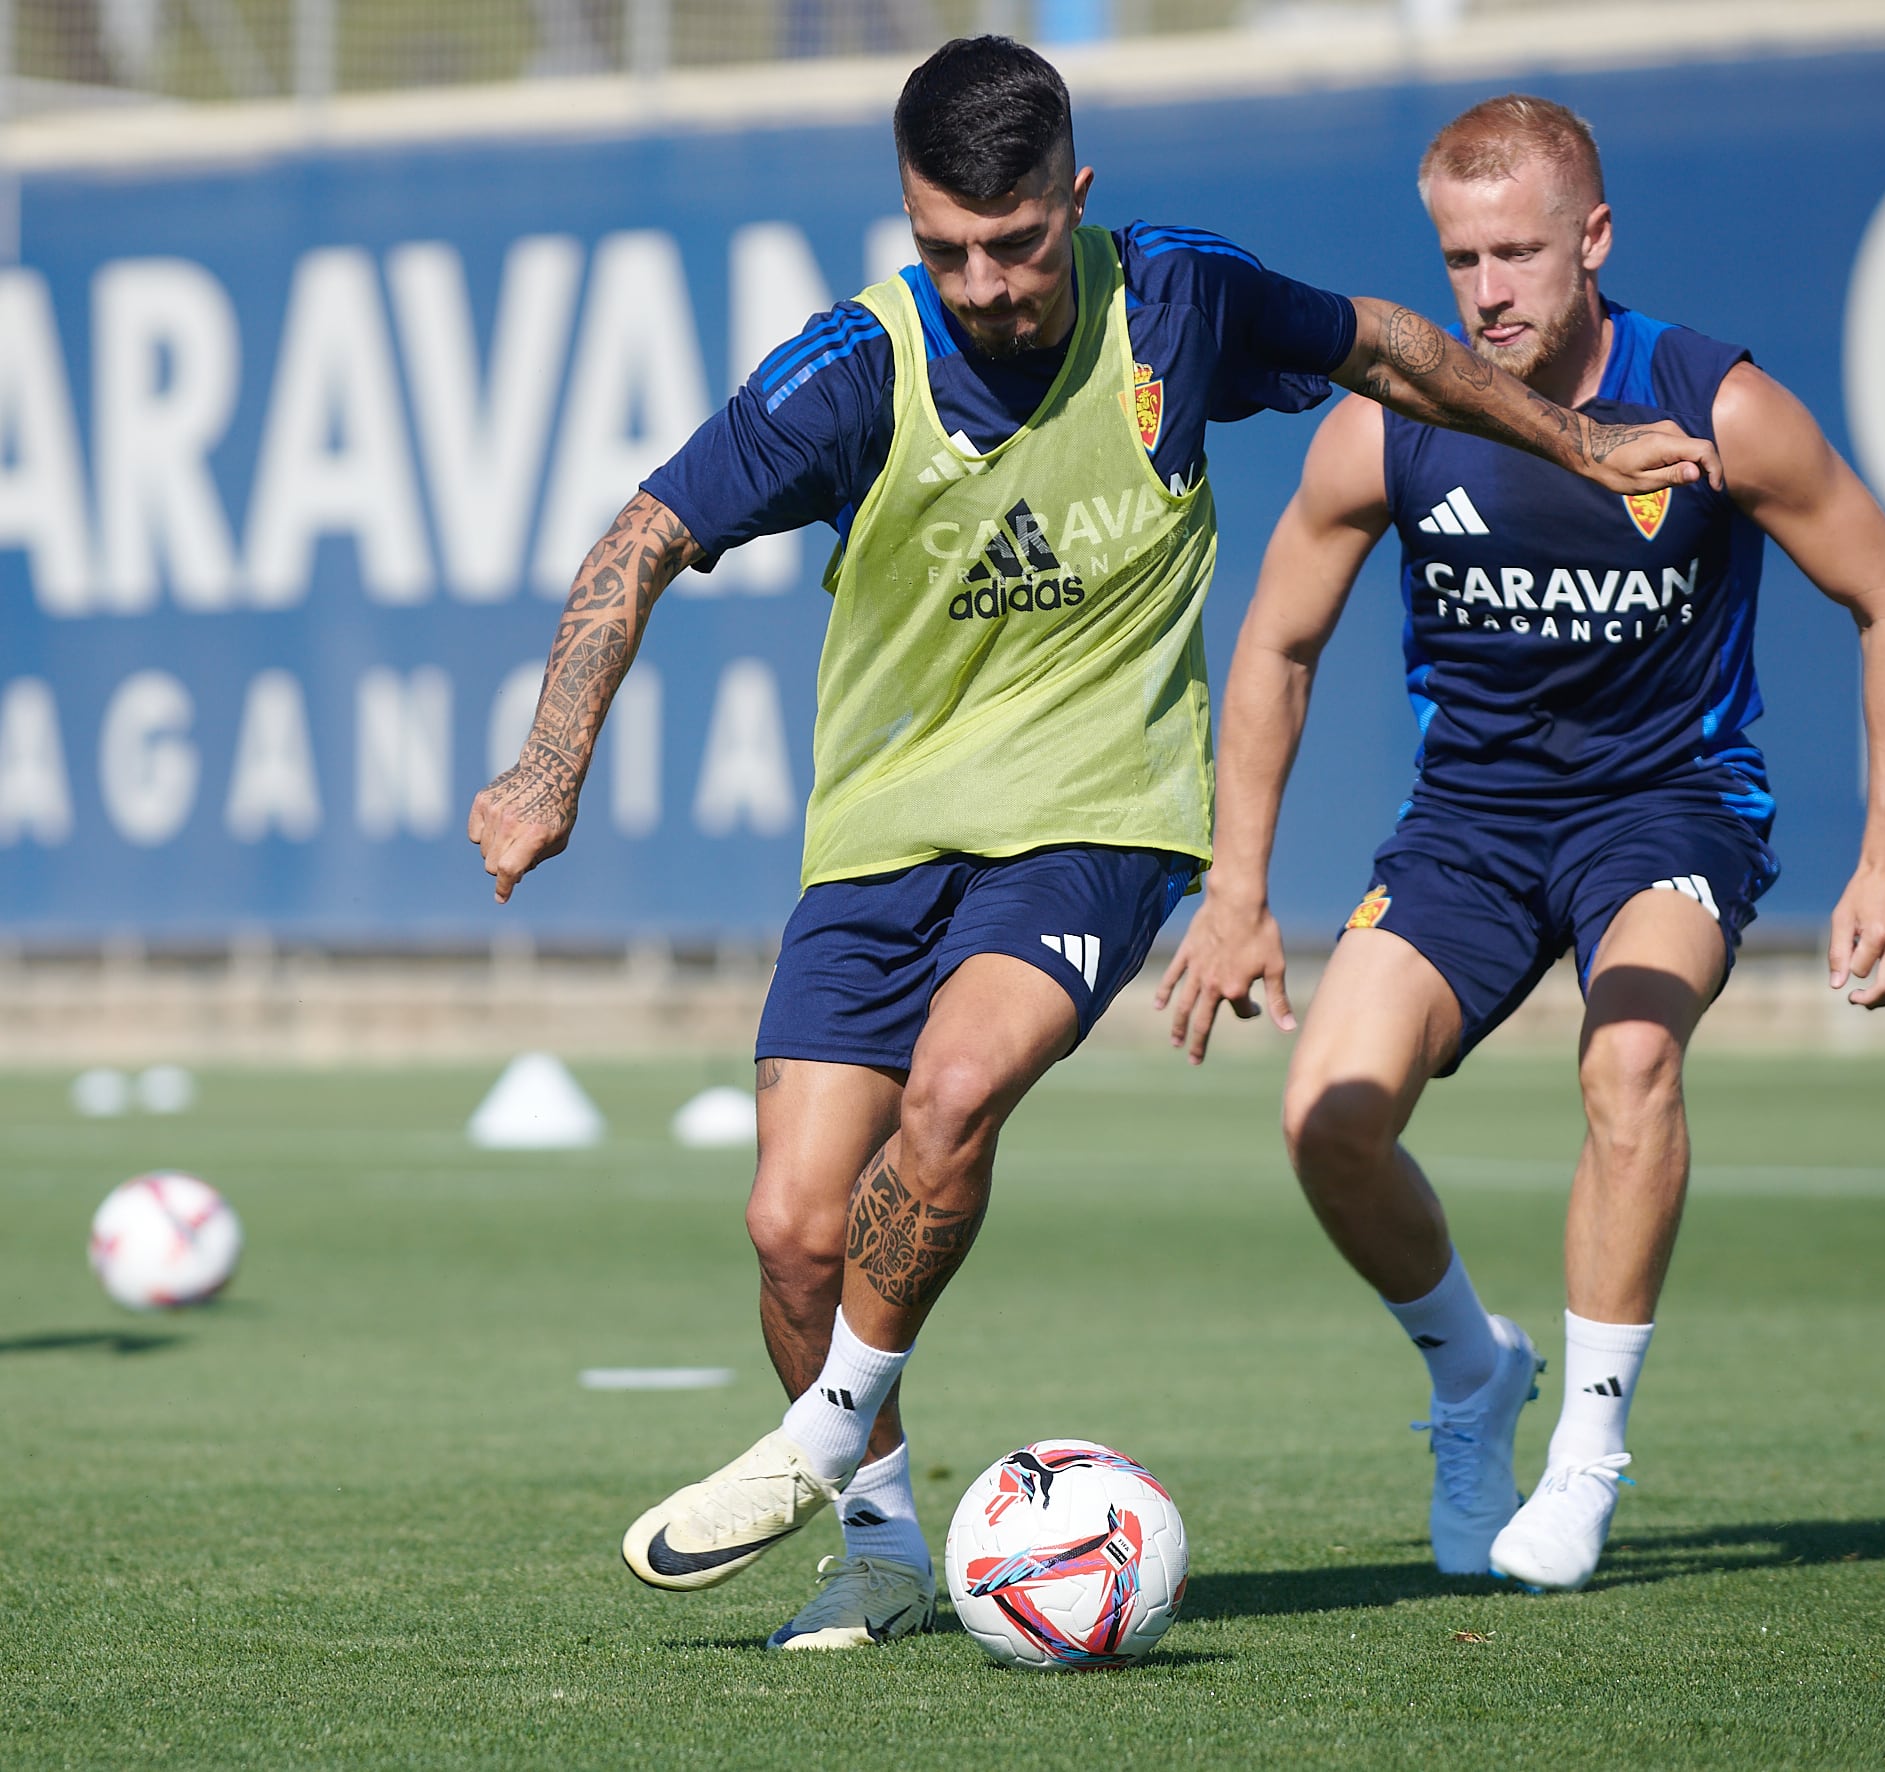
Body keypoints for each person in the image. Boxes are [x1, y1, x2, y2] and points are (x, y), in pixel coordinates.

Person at [467, 45, 1720, 1649]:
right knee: (793, 1229)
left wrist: (1585, 442)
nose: (983, 284)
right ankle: (878, 1546)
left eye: (1015, 244)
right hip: (879, 836)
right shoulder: (854, 370)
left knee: (960, 1085)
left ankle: (819, 1433)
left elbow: (1391, 350)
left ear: (1076, 197)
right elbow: (643, 537)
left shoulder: (1179, 302)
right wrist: (547, 764)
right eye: (945, 251)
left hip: (1098, 818)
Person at [1157, 94, 1885, 1591]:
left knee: (1628, 1056)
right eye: (1458, 259)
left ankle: (1585, 1457)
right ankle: (1472, 1378)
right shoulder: (1388, 422)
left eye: (1517, 252)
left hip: (1671, 805)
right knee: (1325, 1116)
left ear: (1591, 239)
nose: (1486, 291)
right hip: (1471, 827)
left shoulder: (1714, 403)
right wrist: (1236, 889)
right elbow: (1274, 645)